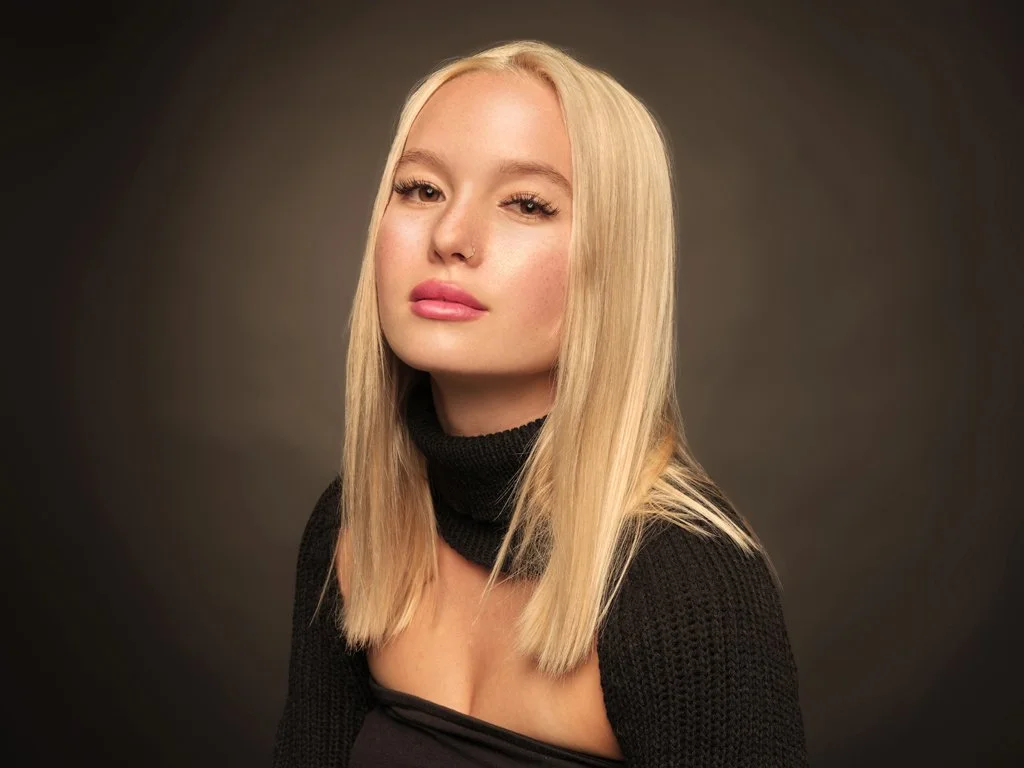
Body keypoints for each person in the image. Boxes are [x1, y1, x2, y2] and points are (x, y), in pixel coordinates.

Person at [272, 39, 809, 767]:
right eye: (422, 189)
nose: (450, 237)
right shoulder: (354, 525)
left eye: (526, 204)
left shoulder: (687, 585)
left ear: (612, 262)